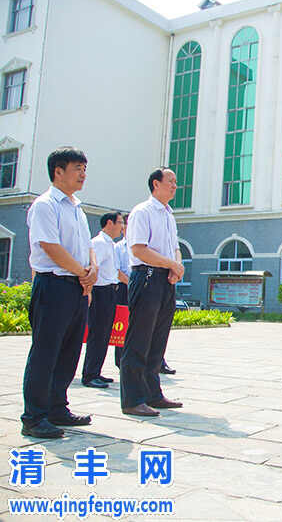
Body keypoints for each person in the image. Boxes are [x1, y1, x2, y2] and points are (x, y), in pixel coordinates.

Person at [21, 147, 97, 438]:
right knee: (46, 352)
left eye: (85, 169)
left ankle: (57, 408)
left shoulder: (77, 208)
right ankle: (34, 417)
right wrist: (82, 272)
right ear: (58, 171)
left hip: (77, 287)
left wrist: (92, 269)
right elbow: (50, 247)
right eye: (78, 168)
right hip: (53, 285)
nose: (83, 174)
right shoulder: (45, 205)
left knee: (69, 351)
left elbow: (88, 246)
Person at [120, 168, 184, 417]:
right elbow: (139, 249)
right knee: (139, 340)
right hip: (146, 277)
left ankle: (152, 394)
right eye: (171, 181)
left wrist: (176, 267)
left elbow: (175, 247)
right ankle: (133, 399)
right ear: (156, 184)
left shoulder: (169, 215)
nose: (175, 185)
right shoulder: (142, 212)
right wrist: (171, 264)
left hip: (166, 279)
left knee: (158, 340)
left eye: (176, 182)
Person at [82, 211, 123, 388]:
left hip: (110, 292)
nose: (122, 226)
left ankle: (96, 371)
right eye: (120, 222)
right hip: (100, 292)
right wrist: (89, 291)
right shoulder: (98, 243)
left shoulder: (111, 245)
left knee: (105, 334)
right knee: (97, 334)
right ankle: (89, 375)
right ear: (109, 223)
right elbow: (92, 268)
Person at [114, 214, 130, 368]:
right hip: (124, 289)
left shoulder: (143, 247)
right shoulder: (118, 247)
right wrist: (131, 283)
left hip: (141, 288)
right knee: (122, 324)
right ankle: (121, 360)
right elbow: (116, 270)